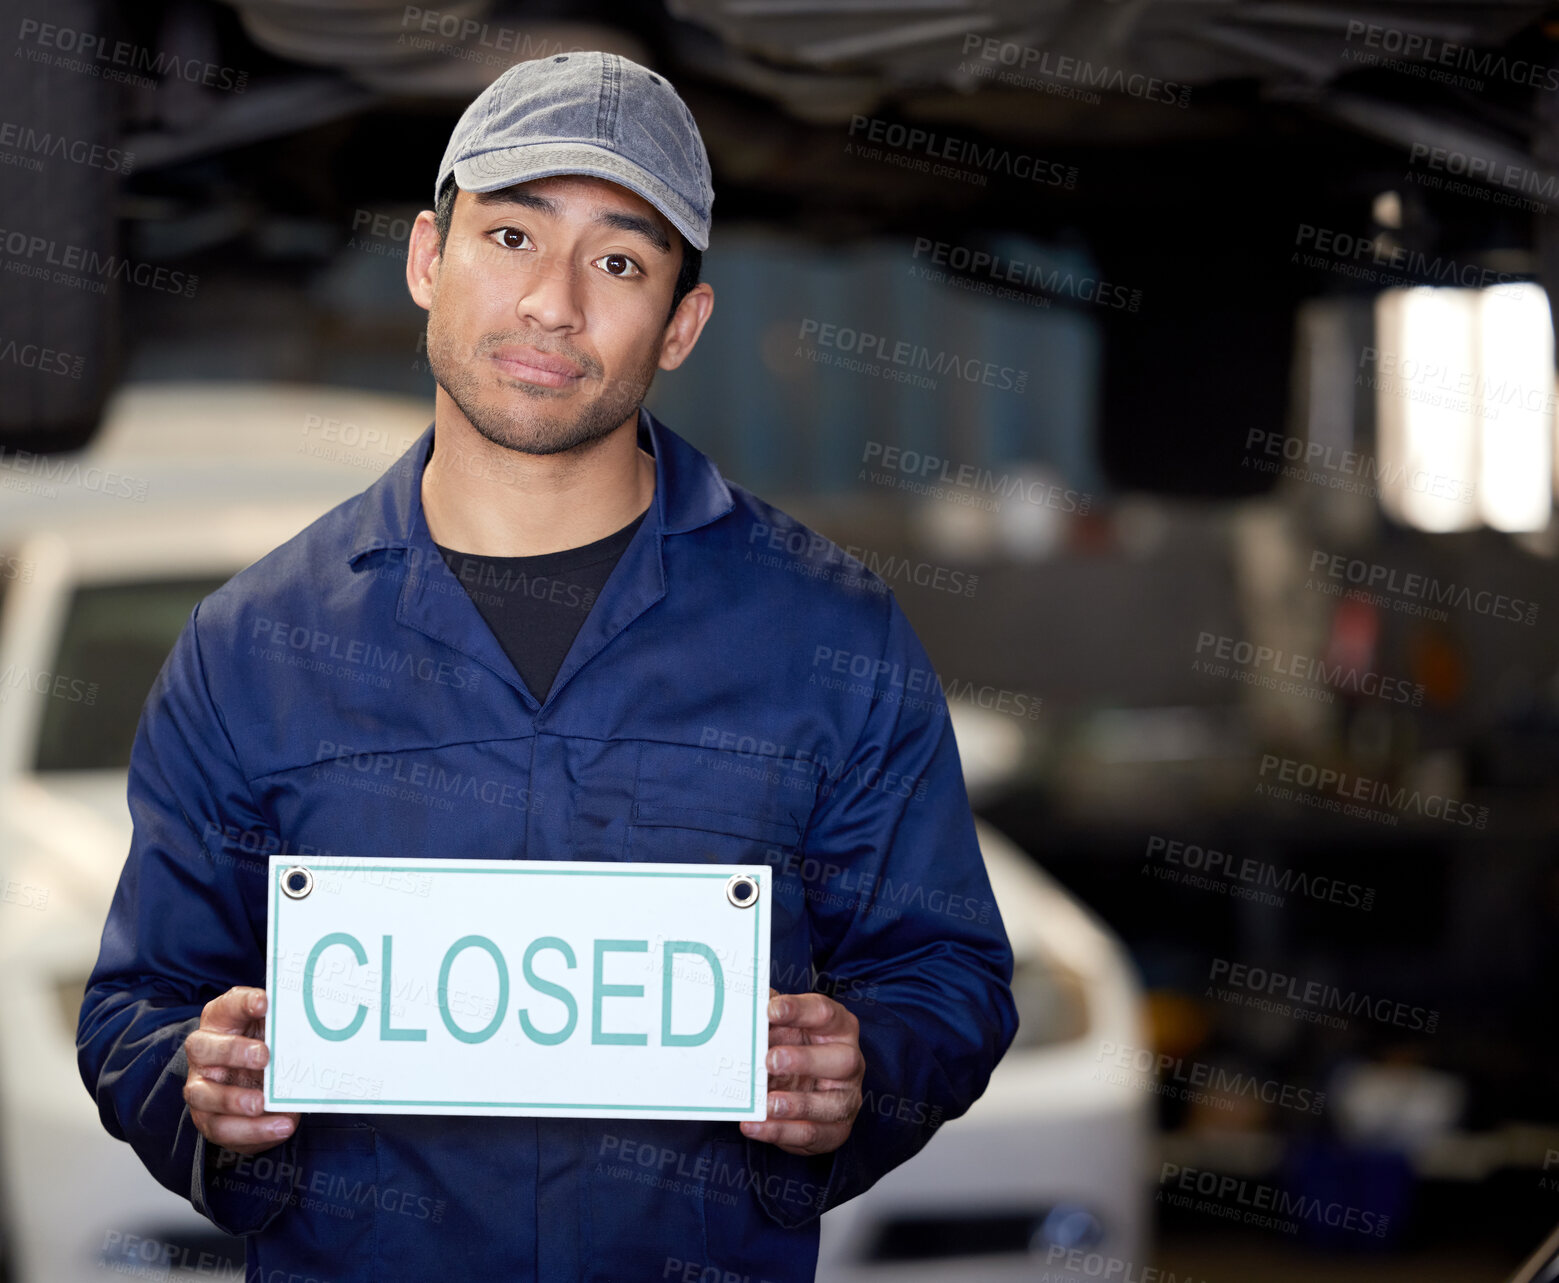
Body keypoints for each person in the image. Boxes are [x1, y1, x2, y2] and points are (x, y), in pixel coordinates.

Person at [77, 50, 1018, 1283]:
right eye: (511, 236)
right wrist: (194, 1081)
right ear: (428, 258)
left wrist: (866, 1068)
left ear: (681, 324)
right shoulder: (254, 646)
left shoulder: (826, 636)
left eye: (618, 262)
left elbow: (945, 971)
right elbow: (138, 1002)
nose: (551, 303)